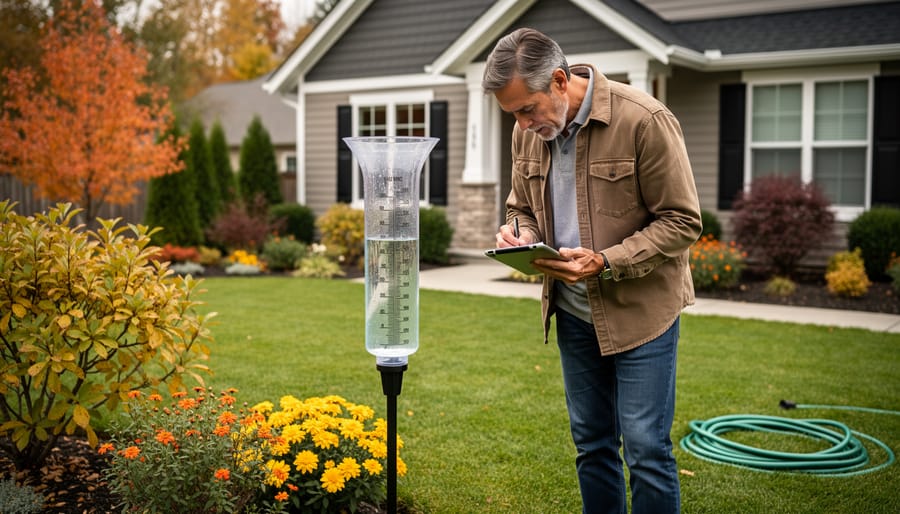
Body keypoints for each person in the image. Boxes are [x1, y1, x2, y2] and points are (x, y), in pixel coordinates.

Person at [482, 28, 702, 514]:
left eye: (527, 109)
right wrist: (518, 234)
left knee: (645, 450)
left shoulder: (644, 120)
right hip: (573, 313)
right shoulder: (526, 133)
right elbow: (521, 207)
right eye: (513, 114)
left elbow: (682, 221)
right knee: (592, 444)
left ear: (560, 81)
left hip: (642, 316)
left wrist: (605, 261)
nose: (522, 124)